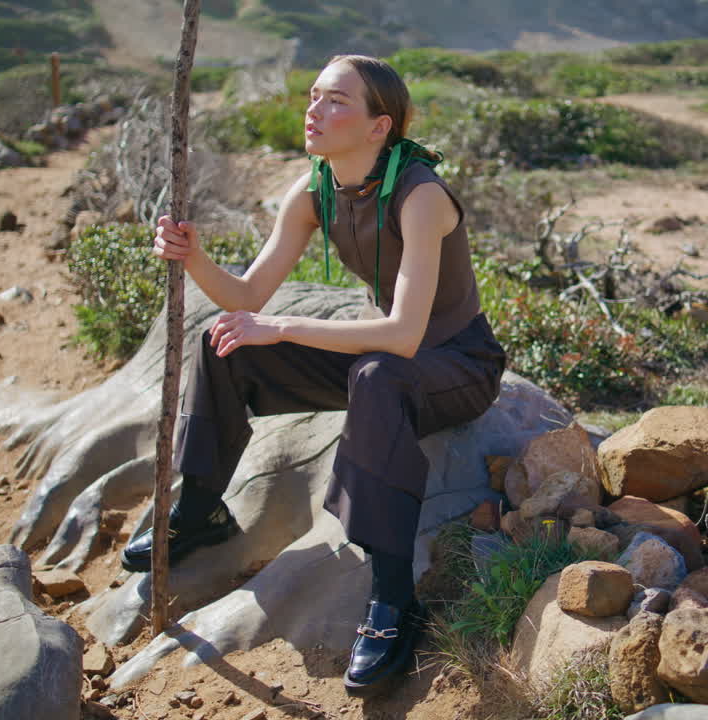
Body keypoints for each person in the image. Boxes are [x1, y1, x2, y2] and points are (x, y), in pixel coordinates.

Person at [120, 54, 505, 694]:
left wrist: (285, 328)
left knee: (378, 376)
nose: (314, 111)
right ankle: (199, 510)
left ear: (380, 126)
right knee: (225, 343)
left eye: (336, 102)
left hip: (456, 365)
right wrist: (193, 258)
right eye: (313, 96)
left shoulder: (420, 195)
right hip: (382, 360)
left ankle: (390, 599)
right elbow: (245, 296)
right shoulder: (314, 191)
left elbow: (405, 334)